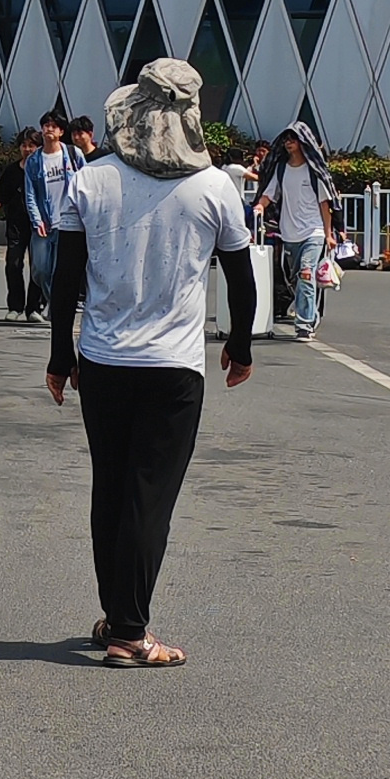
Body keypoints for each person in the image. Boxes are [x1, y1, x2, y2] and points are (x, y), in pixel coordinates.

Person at [45, 58, 255, 669]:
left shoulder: (92, 179)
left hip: (104, 359)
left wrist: (62, 356)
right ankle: (131, 633)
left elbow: (65, 281)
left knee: (109, 487)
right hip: (173, 365)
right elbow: (241, 281)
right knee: (149, 496)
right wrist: (239, 346)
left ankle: (116, 613)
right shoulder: (215, 187)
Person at [257, 122, 339, 338]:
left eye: (293, 138)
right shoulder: (281, 169)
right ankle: (311, 312)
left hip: (314, 232)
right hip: (289, 233)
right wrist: (259, 206)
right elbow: (270, 193)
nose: (288, 142)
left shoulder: (314, 172)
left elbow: (325, 204)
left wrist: (329, 234)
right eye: (286, 139)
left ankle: (304, 325)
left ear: (303, 142)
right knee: (295, 278)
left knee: (305, 273)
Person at [20, 112, 75, 322]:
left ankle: (57, 307)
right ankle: (55, 301)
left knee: (60, 270)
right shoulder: (34, 160)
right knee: (40, 270)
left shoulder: (72, 154)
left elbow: (84, 182)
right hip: (43, 222)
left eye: (54, 126)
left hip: (68, 221)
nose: (49, 129)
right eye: (46, 125)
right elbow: (30, 193)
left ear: (61, 132)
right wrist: (37, 219)